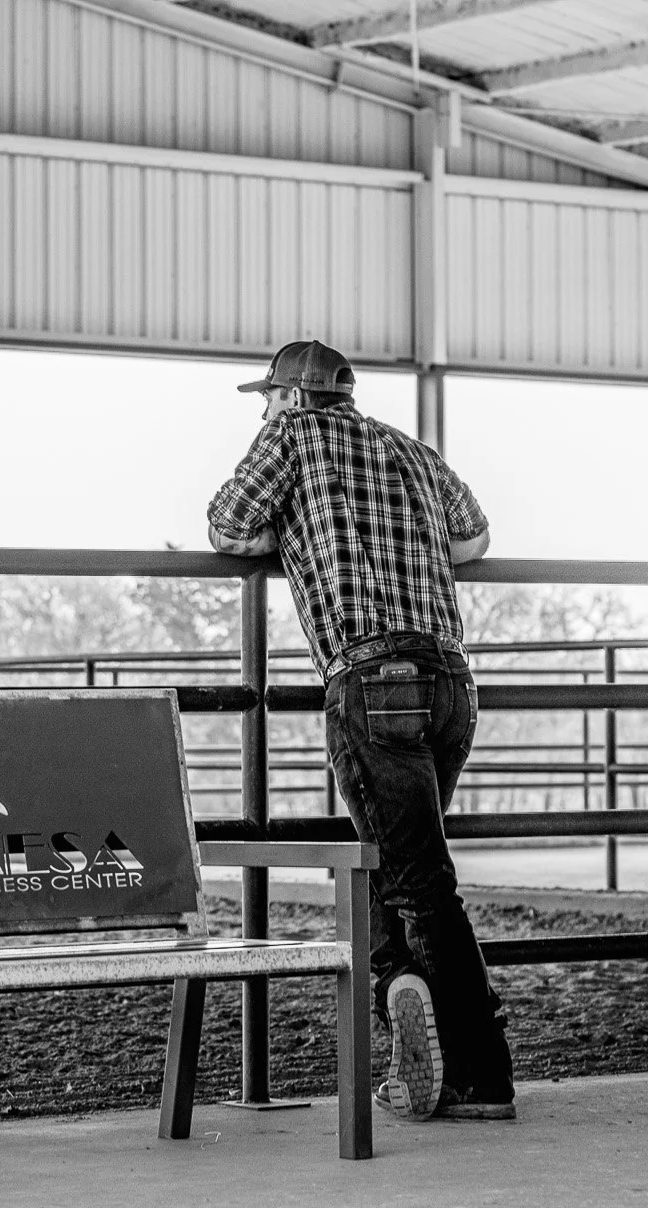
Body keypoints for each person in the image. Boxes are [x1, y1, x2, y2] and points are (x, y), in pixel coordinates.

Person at [206, 339, 515, 1123]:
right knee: (392, 860)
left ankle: (479, 1071)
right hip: (450, 679)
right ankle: (404, 1001)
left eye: (268, 398)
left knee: (414, 878)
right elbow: (475, 538)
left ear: (289, 398)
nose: (265, 410)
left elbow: (226, 526)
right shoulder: (410, 448)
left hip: (371, 678)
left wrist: (293, 531)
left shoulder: (291, 437)